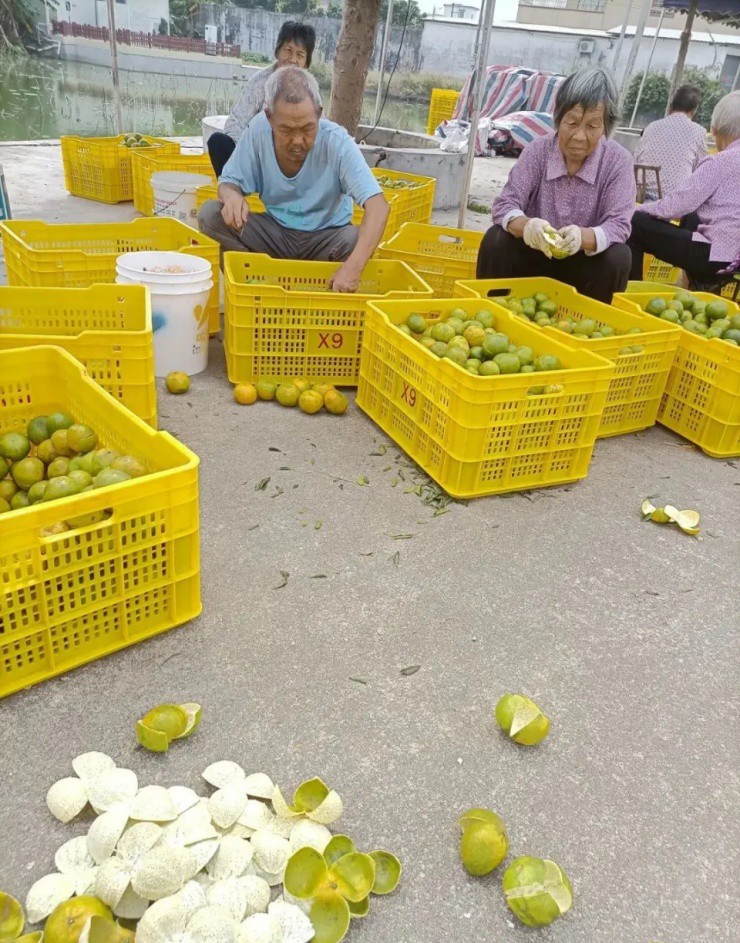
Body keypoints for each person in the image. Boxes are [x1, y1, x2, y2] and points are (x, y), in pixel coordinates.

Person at [198, 67, 389, 293]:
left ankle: (329, 287)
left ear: (319, 113)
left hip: (326, 240)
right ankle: (258, 286)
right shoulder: (258, 130)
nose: (298, 141)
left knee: (360, 240)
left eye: (307, 128)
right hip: (275, 234)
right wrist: (232, 196)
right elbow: (229, 181)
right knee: (211, 215)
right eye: (286, 130)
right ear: (269, 118)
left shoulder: (337, 142)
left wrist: (352, 269)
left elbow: (378, 208)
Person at [476, 68, 634, 304]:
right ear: (559, 118)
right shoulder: (539, 151)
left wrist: (582, 238)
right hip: (534, 259)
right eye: (572, 122)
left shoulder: (617, 161)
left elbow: (619, 224)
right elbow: (505, 204)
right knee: (495, 239)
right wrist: (528, 227)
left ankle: (591, 323)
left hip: (582, 267)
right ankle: (489, 309)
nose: (579, 136)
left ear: (605, 127)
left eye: (592, 126)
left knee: (619, 256)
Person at [628, 90, 740, 290]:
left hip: (720, 258)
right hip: (733, 258)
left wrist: (632, 210)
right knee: (693, 216)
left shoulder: (721, 161)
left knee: (634, 224)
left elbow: (674, 207)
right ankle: (695, 290)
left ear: (714, 130)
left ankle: (628, 295)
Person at [207, 21, 316, 176]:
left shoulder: (310, 90)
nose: (292, 59)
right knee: (218, 142)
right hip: (254, 159)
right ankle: (234, 193)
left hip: (289, 164)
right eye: (288, 50)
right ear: (278, 51)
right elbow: (235, 123)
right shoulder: (259, 82)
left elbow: (317, 133)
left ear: (306, 62)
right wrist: (251, 154)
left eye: (300, 55)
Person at [634, 85, 707, 200]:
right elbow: (701, 172)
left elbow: (636, 160)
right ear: (694, 110)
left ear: (671, 106)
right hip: (674, 205)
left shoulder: (651, 127)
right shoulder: (698, 132)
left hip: (640, 198)